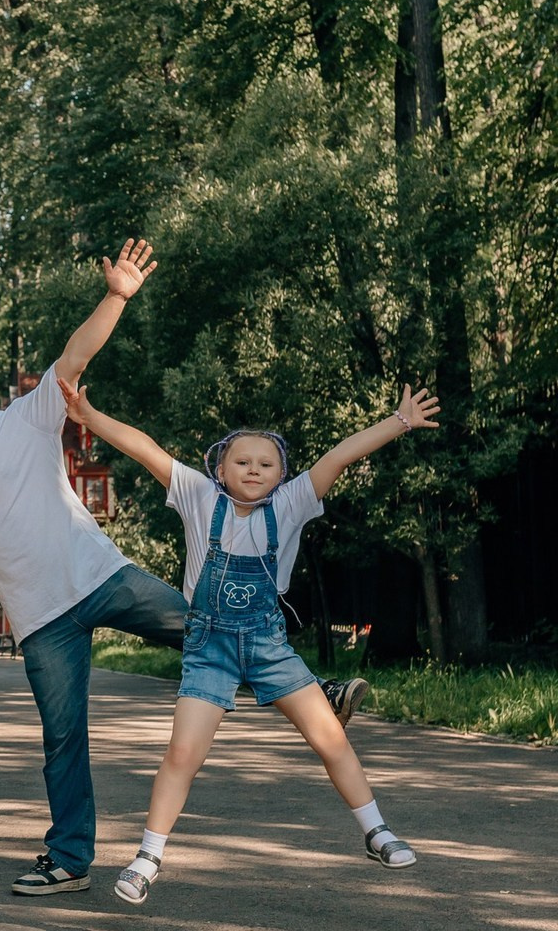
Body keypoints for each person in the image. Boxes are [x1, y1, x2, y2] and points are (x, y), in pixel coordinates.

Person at [0, 239, 366, 898]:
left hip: (103, 576)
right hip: (39, 616)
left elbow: (77, 353)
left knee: (207, 626)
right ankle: (70, 859)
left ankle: (318, 691)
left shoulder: (31, 414)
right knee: (63, 740)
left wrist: (116, 296)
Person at [59, 378, 438, 905]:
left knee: (330, 737)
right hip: (207, 648)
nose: (254, 469)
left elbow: (340, 456)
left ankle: (376, 831)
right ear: (219, 469)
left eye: (266, 463)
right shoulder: (196, 495)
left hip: (268, 645)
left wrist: (398, 422)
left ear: (283, 475)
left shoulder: (294, 503)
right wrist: (89, 414)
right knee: (182, 753)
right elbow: (143, 447)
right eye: (242, 462)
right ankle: (147, 857)